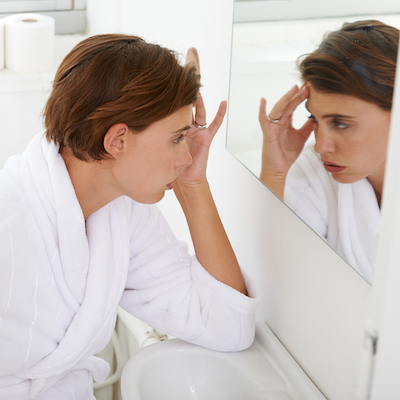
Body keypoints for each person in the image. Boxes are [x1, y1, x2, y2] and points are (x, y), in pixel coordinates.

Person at [0, 34, 259, 399]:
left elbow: (228, 325)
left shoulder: (121, 215)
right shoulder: (8, 223)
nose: (185, 156)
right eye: (176, 138)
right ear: (117, 140)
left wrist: (193, 186)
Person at [259, 20, 398, 284]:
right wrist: (273, 172)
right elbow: (271, 279)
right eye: (314, 119)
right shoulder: (313, 171)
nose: (321, 145)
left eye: (341, 123)